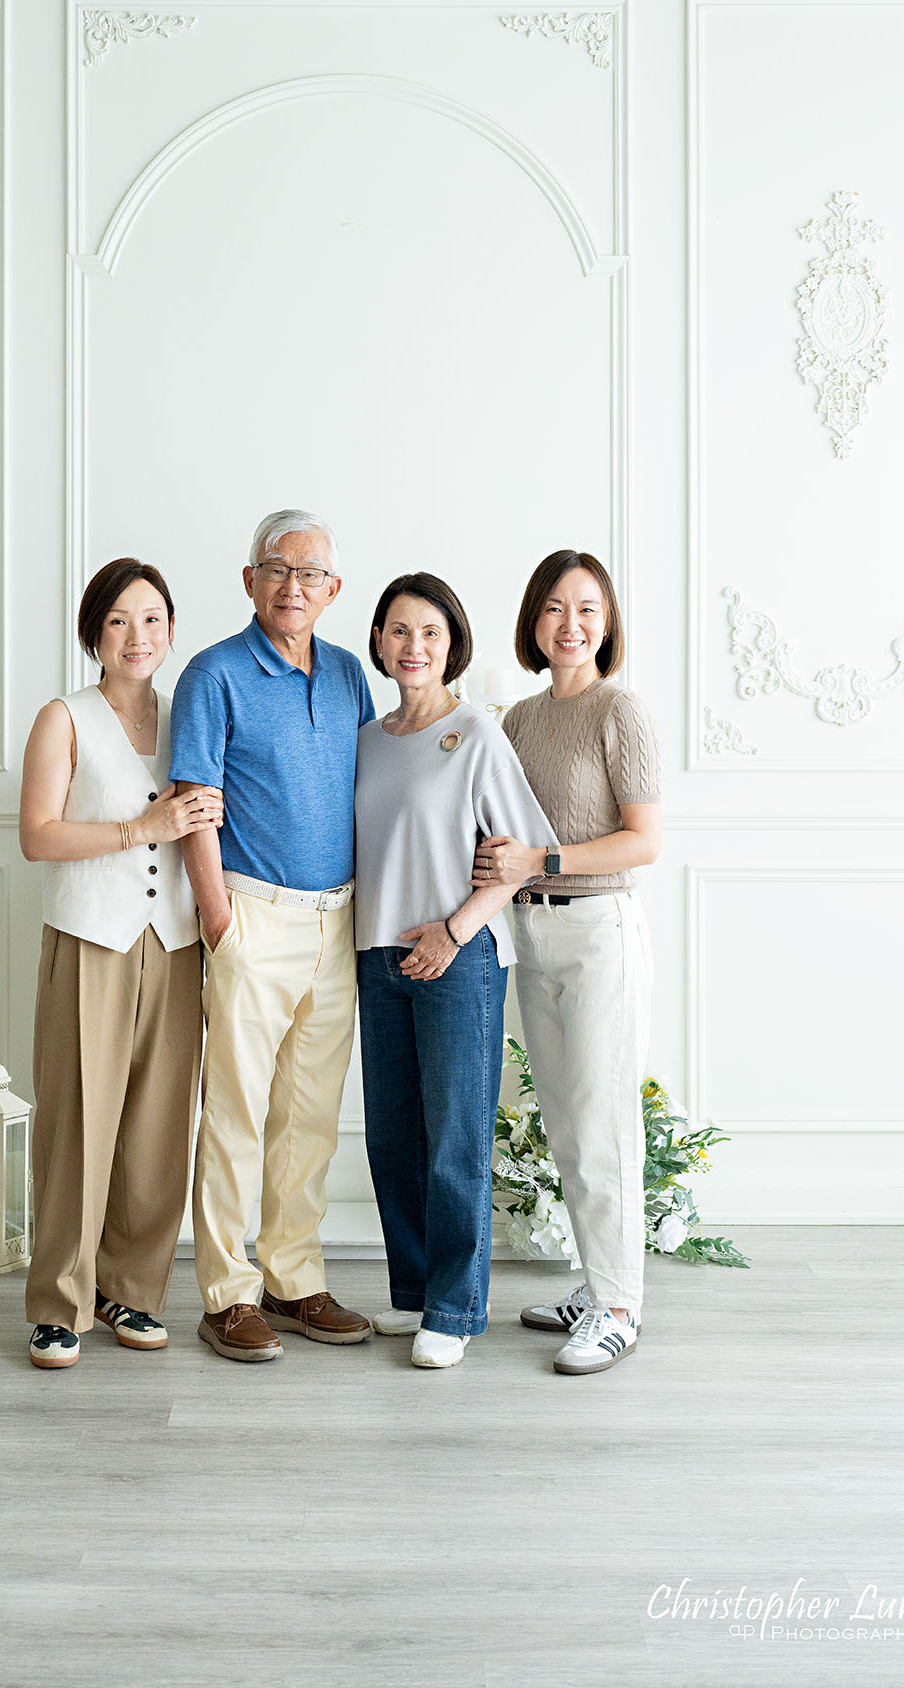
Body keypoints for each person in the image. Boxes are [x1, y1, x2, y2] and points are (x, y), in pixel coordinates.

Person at [169, 509, 376, 1363]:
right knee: (235, 1114)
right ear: (249, 580)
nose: (294, 587)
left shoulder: (349, 674)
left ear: (334, 590)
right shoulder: (214, 674)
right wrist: (219, 918)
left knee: (310, 1117)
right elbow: (192, 803)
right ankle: (227, 1293)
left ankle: (294, 1280)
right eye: (277, 569)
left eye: (311, 574)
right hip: (252, 913)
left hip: (340, 918)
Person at [18, 558, 223, 1369]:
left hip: (173, 944)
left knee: (157, 1130)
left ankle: (131, 1292)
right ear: (94, 635)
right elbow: (39, 835)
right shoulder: (63, 718)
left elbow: (205, 815)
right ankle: (57, 1304)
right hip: (90, 941)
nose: (137, 636)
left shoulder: (190, 716)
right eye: (118, 621)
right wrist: (145, 828)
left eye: (152, 619)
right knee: (78, 1125)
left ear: (172, 630)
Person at [355, 573, 556, 1368]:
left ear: (452, 645)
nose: (414, 647)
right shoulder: (368, 739)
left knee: (455, 1139)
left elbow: (518, 861)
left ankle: (457, 1307)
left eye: (430, 633)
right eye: (400, 631)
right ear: (379, 642)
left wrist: (452, 930)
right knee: (393, 1137)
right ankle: (416, 1295)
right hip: (378, 956)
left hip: (461, 958)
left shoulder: (476, 734)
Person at [473, 549, 661, 1376]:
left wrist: (540, 863)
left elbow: (642, 841)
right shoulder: (517, 720)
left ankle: (620, 1307)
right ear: (533, 622)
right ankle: (597, 1284)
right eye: (554, 608)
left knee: (602, 1121)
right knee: (563, 1118)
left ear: (608, 623)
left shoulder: (622, 712)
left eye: (587, 609)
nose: (570, 624)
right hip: (530, 932)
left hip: (598, 933)